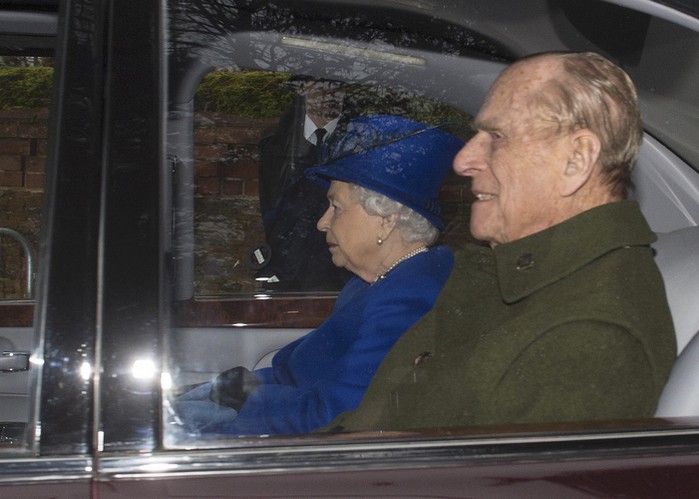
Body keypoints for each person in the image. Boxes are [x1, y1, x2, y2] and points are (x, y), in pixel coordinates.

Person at [325, 52, 677, 433]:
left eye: (496, 137)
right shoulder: (510, 277)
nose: (463, 160)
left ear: (576, 160)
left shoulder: (591, 337)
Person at [173, 114, 464, 435]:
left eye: (336, 208)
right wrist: (243, 385)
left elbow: (339, 414)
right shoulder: (369, 283)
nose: (322, 222)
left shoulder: (411, 296)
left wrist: (215, 429)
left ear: (386, 219)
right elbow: (302, 371)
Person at [254, 76, 354, 291]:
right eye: (319, 84)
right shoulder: (275, 146)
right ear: (301, 88)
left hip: (345, 280)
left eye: (335, 84)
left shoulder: (360, 144)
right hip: (284, 278)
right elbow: (269, 213)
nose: (328, 93)